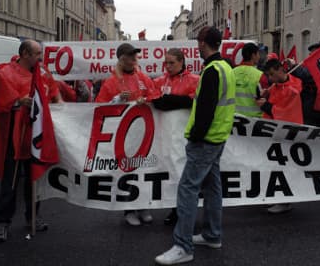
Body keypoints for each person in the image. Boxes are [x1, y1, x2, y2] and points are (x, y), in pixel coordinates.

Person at [155, 26, 236, 265]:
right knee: (212, 187)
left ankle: (183, 246)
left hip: (205, 140)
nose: (197, 46)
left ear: (202, 42)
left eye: (198, 42)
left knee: (187, 189)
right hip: (218, 137)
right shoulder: (225, 68)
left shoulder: (211, 70)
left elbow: (205, 111)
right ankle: (212, 235)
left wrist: (195, 138)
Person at [0, 40, 50, 242]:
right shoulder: (4, 74)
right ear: (25, 53)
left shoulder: (40, 74)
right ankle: (3, 222)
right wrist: (18, 101)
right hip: (14, 137)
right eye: (37, 53)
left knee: (34, 180)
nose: (40, 58)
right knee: (10, 181)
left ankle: (33, 216)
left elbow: (52, 96)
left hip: (34, 136)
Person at [96, 42, 159, 225]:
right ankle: (129, 209)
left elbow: (155, 95)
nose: (134, 59)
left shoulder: (143, 78)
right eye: (131, 57)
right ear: (122, 59)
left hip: (144, 132)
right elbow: (99, 106)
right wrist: (116, 100)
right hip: (123, 135)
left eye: (135, 56)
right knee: (127, 171)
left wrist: (145, 99)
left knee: (145, 169)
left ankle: (143, 205)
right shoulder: (112, 81)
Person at [152, 48, 200, 225]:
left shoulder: (194, 80)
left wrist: (169, 99)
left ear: (182, 62)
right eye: (166, 62)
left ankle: (186, 212)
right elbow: (157, 101)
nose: (168, 66)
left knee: (183, 175)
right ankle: (175, 209)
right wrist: (177, 100)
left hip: (185, 137)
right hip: (165, 137)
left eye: (172, 62)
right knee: (170, 173)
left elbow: (192, 101)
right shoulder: (160, 80)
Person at [256, 58, 303, 214]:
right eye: (268, 75)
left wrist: (266, 105)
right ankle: (279, 197)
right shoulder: (276, 86)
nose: (270, 79)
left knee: (283, 167)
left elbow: (286, 115)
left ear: (280, 70)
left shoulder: (292, 89)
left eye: (271, 74)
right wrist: (265, 98)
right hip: (274, 133)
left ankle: (284, 200)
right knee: (276, 166)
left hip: (285, 136)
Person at [233, 42, 263, 117]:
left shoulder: (232, 72)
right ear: (253, 55)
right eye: (258, 54)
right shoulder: (260, 75)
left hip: (235, 119)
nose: (259, 57)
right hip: (254, 121)